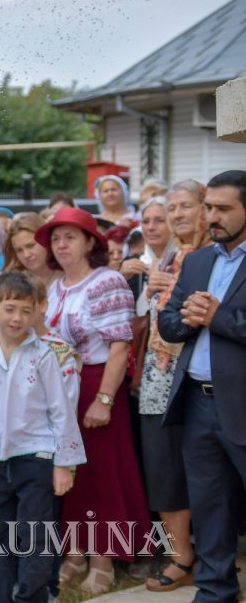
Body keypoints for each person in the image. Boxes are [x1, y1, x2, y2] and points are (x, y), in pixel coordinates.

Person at [37, 207, 149, 594]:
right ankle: (76, 552)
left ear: (90, 242)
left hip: (98, 383)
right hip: (63, 389)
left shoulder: (107, 281)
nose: (62, 244)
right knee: (72, 472)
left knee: (100, 472)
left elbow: (120, 346)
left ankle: (104, 558)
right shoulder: (55, 286)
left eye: (70, 236)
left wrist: (103, 399)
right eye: (56, 238)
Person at [0, 272, 85, 603]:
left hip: (37, 456)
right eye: (9, 309)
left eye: (24, 310)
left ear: (36, 310)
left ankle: (32, 595)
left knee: (34, 534)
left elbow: (61, 411)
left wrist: (63, 464)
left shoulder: (44, 355)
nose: (17, 317)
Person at [158, 170, 246, 603]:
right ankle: (215, 591)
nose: (212, 217)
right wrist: (187, 318)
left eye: (224, 209)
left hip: (244, 405)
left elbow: (226, 321)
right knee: (210, 506)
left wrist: (218, 318)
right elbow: (168, 323)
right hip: (197, 403)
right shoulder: (196, 260)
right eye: (209, 207)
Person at [135, 184, 208, 593]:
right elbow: (151, 317)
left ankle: (210, 557)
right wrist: (148, 294)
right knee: (163, 470)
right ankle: (181, 556)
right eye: (172, 208)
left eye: (186, 207)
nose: (178, 215)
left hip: (196, 380)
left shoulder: (214, 256)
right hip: (157, 381)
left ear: (206, 211)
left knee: (206, 474)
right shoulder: (169, 255)